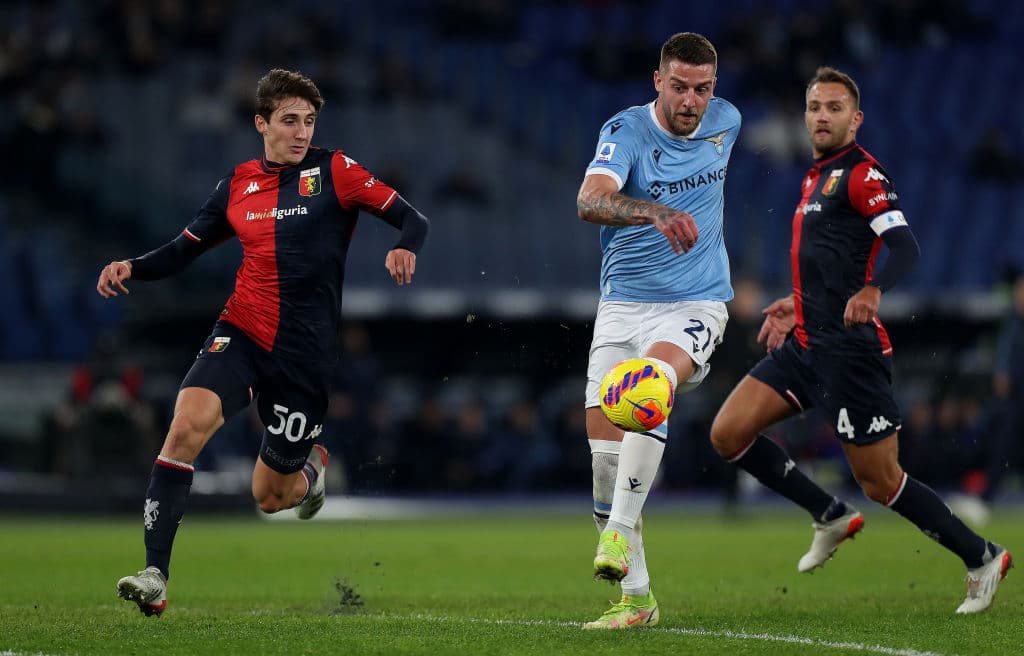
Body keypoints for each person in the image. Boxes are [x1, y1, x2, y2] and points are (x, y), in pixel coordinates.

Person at [96, 68, 429, 616]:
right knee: (184, 427)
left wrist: (404, 247)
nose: (301, 132)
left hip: (304, 355)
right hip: (242, 330)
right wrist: (131, 265)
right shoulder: (236, 185)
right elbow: (184, 248)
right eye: (289, 121)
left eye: (309, 122)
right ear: (262, 123)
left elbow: (411, 218)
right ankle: (156, 574)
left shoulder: (336, 171)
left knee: (270, 497)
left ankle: (311, 469)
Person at [709, 66, 1011, 614]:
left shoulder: (861, 175)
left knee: (880, 481)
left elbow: (905, 247)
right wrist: (792, 303)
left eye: (833, 108)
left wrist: (874, 290)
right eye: (814, 107)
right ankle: (829, 514)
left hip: (850, 354)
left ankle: (982, 554)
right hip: (805, 343)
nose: (821, 116)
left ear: (856, 118)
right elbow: (827, 264)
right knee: (728, 433)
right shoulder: (814, 175)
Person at [576, 32, 740, 629]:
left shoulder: (728, 120)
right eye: (678, 86)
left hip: (695, 303)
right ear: (658, 81)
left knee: (648, 387)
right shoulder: (625, 132)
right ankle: (638, 601)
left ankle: (617, 534)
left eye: (701, 88)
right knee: (604, 463)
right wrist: (654, 210)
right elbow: (589, 200)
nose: (690, 101)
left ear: (713, 88)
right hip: (621, 306)